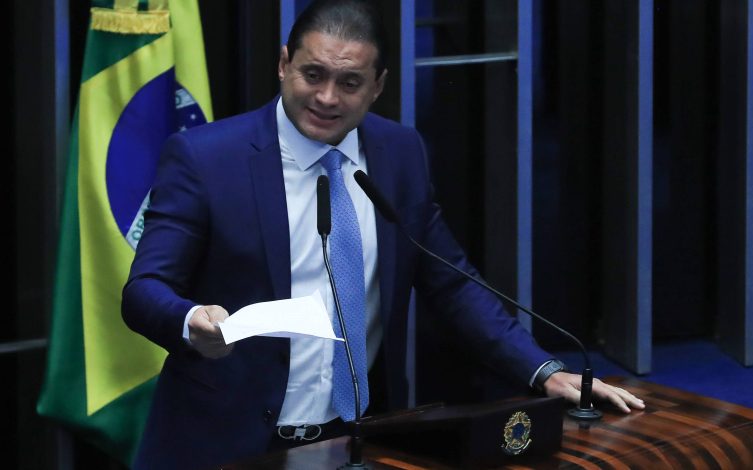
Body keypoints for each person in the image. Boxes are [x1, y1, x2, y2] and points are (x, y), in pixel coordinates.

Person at [122, 0, 644, 468]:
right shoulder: (207, 158)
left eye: (350, 83)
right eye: (312, 74)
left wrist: (544, 370)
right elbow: (144, 290)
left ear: (378, 86)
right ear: (283, 64)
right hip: (226, 444)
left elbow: (452, 284)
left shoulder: (400, 154)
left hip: (359, 444)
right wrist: (190, 321)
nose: (327, 97)